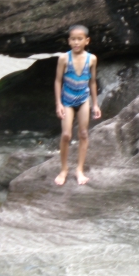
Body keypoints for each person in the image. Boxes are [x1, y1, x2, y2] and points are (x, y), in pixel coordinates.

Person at [54, 24, 101, 186]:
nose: (76, 42)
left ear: (87, 41)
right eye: (73, 39)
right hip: (67, 99)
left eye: (79, 39)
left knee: (83, 133)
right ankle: (64, 169)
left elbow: (93, 81)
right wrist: (58, 103)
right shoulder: (64, 59)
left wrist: (95, 104)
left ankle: (79, 170)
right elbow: (58, 81)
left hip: (83, 99)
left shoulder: (92, 59)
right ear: (68, 41)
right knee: (66, 135)